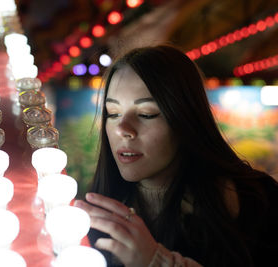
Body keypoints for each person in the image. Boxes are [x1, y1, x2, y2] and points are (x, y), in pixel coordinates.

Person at [74, 45, 278, 267]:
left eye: (146, 114)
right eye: (113, 113)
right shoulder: (98, 213)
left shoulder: (257, 199)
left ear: (185, 118)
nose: (123, 128)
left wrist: (157, 262)